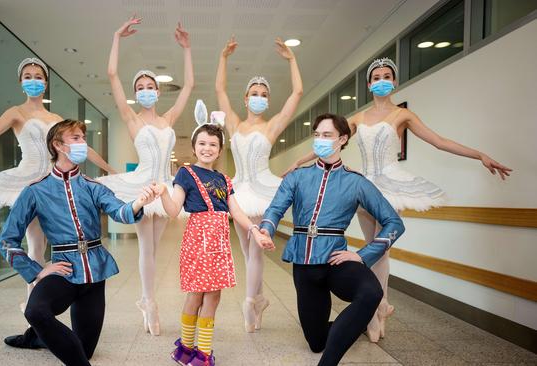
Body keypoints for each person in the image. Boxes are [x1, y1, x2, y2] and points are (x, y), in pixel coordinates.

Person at [284, 57, 511, 342]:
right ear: (369, 84)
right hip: (366, 185)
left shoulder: (403, 115)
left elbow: (439, 141)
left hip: (392, 182)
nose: (381, 80)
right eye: (375, 76)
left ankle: (378, 310)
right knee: (373, 248)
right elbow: (327, 143)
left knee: (383, 247)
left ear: (394, 82)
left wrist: (479, 155)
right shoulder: (358, 119)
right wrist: (297, 164)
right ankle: (378, 308)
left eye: (386, 76)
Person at [0, 58, 115, 348]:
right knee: (35, 250)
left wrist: (110, 170)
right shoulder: (16, 112)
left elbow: (83, 147)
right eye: (28, 76)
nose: (34, 80)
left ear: (46, 82)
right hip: (29, 182)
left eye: (39, 76)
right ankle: (36, 322)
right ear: (21, 82)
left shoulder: (56, 117)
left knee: (60, 245)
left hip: (55, 185)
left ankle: (40, 323)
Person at [0, 119, 157, 366]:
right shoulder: (35, 191)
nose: (83, 142)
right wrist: (38, 270)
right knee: (35, 311)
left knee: (85, 349)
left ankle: (38, 338)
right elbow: (7, 241)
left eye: (83, 137)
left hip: (95, 273)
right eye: (76, 138)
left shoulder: (94, 187)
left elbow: (120, 212)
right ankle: (38, 335)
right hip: (64, 270)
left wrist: (138, 203)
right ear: (58, 145)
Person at [261, 113, 404, 366]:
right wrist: (266, 230)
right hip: (304, 264)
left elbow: (394, 223)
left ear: (342, 139)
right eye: (317, 135)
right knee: (316, 341)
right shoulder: (297, 177)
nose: (320, 140)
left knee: (371, 292)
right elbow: (275, 209)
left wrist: (362, 255)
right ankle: (355, 325)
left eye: (327, 135)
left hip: (336, 261)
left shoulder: (356, 182)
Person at [95, 16, 194, 336]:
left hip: (164, 186)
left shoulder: (168, 119)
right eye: (140, 88)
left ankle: (146, 301)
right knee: (144, 246)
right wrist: (116, 37)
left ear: (158, 90)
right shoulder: (131, 118)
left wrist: (187, 49)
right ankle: (149, 304)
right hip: (141, 186)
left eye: (151, 87)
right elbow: (111, 75)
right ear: (136, 93)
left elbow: (190, 86)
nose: (146, 91)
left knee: (153, 247)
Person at [156, 101, 274, 366]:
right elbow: (174, 210)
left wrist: (255, 230)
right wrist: (164, 193)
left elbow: (236, 211)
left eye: (213, 144)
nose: (207, 148)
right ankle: (188, 348)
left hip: (219, 242)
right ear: (194, 146)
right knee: (196, 294)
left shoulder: (224, 180)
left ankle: (201, 352)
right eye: (202, 143)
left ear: (220, 149)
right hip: (199, 239)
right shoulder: (186, 174)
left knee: (214, 295)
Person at [214, 35, 303, 332]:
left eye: (264, 94)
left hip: (264, 192)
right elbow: (220, 90)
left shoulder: (272, 124)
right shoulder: (235, 123)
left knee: (254, 250)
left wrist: (292, 60)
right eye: (254, 92)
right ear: (246, 98)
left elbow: (298, 93)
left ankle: (250, 302)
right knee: (246, 248)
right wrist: (224, 58)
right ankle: (260, 299)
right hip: (239, 192)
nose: (259, 97)